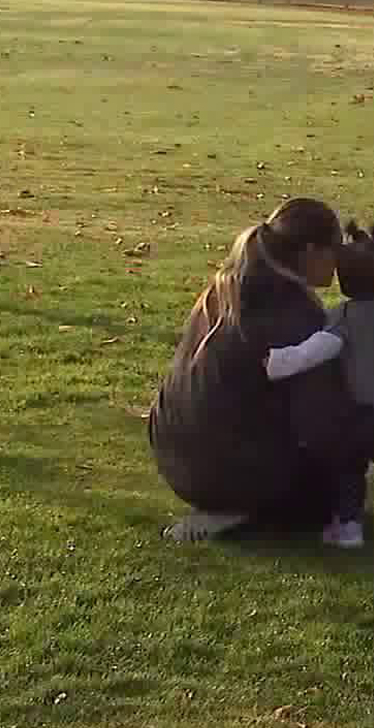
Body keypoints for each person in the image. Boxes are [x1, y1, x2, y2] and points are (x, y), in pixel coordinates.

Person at [149, 198, 356, 542]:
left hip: (176, 458)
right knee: (338, 491)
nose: (338, 262)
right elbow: (318, 415)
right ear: (309, 251)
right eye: (334, 250)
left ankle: (233, 500)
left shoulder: (224, 290)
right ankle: (244, 510)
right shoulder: (293, 313)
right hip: (231, 470)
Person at [265, 222, 374, 548]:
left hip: (356, 417)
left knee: (350, 473)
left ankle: (350, 528)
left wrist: (279, 362)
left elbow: (316, 350)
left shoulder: (344, 318)